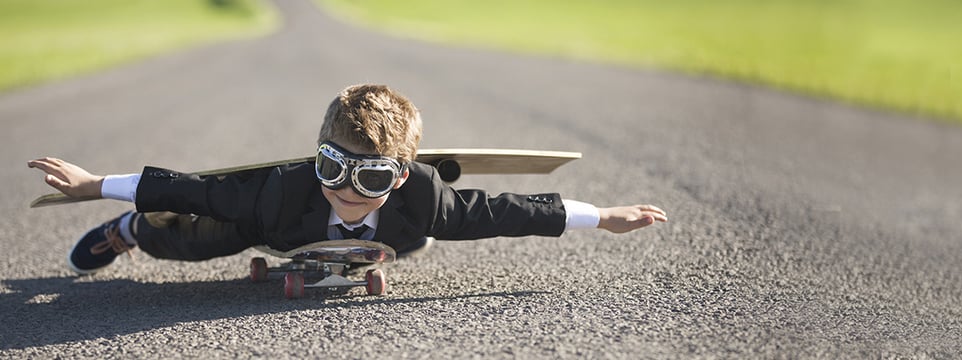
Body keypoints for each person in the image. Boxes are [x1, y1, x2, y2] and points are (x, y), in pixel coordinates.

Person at [27, 84, 667, 275]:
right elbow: (189, 187)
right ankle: (130, 233)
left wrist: (603, 217)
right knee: (200, 237)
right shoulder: (281, 188)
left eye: (372, 177)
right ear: (317, 159)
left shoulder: (424, 200)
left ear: (402, 174)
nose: (347, 188)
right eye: (332, 167)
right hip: (275, 228)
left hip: (394, 235)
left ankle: (360, 254)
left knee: (418, 236)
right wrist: (98, 186)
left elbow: (512, 211)